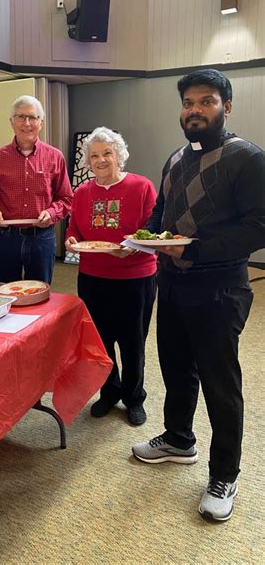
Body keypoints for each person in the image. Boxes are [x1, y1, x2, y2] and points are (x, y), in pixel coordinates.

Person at [132, 69, 265, 522]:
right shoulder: (175, 158)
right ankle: (178, 439)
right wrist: (146, 237)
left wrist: (195, 249)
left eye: (206, 101)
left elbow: (258, 227)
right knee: (175, 369)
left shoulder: (248, 158)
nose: (194, 110)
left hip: (219, 289)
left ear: (226, 107)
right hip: (170, 284)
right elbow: (160, 211)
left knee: (220, 384)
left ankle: (225, 473)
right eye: (188, 102)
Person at [65, 127, 157, 425]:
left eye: (107, 153)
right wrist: (70, 240)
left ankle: (134, 397)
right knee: (100, 341)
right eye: (94, 155)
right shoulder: (82, 192)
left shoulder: (141, 187)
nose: (101, 160)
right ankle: (109, 391)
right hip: (93, 277)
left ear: (120, 155)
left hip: (135, 277)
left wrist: (133, 246)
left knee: (133, 342)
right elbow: (75, 230)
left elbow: (153, 231)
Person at [0, 95, 73, 283]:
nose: (27, 123)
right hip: (6, 239)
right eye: (20, 117)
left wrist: (52, 213)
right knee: (4, 293)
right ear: (12, 122)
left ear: (41, 122)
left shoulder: (55, 157)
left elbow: (66, 199)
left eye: (33, 117)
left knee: (40, 293)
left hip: (41, 238)